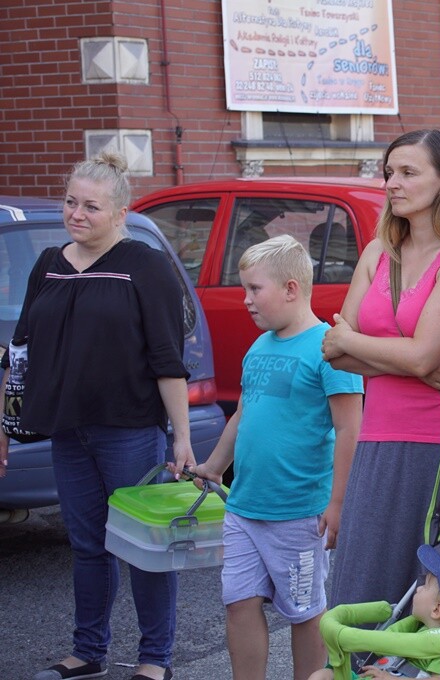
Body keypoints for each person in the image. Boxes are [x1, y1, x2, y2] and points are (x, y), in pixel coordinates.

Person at [0, 153, 193, 680]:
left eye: (91, 205)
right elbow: (21, 348)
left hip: (129, 430)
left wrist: (181, 438)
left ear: (121, 212)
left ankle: (156, 659)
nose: (76, 214)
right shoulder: (49, 264)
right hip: (69, 430)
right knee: (87, 546)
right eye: (70, 202)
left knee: (145, 547)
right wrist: (5, 422)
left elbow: (166, 355)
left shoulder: (144, 264)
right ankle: (88, 652)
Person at [322, 129, 440, 612]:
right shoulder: (379, 253)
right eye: (388, 173)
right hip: (378, 438)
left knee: (425, 598)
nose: (391, 184)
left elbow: (368, 345)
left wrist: (359, 343)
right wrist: (408, 359)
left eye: (407, 172)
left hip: (438, 445)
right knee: (360, 586)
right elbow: (333, 355)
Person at [191, 235, 363, 680]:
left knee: (305, 613)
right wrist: (213, 465)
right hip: (245, 507)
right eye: (244, 288)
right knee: (239, 602)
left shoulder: (330, 346)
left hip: (299, 512)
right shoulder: (259, 346)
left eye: (254, 289)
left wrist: (339, 503)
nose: (245, 300)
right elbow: (242, 418)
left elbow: (350, 429)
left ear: (290, 288)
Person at [310, 545, 440, 680]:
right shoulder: (418, 626)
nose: (418, 588)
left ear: (437, 609)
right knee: (322, 676)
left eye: (426, 586)